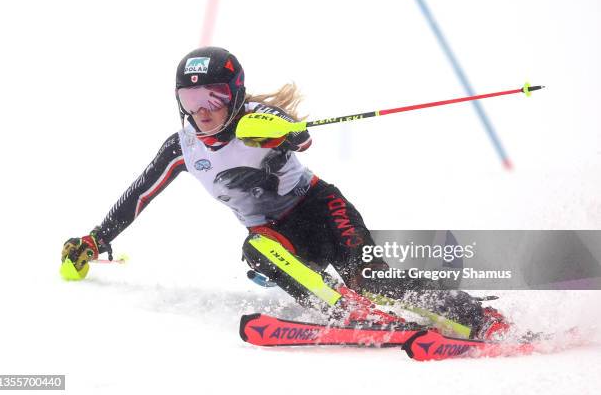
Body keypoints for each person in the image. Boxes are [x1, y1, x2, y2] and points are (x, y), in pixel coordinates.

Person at [61, 47, 509, 340]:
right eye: (191, 100)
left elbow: (302, 141)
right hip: (280, 238)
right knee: (256, 248)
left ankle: (477, 317)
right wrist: (97, 239)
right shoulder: (184, 148)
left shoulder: (258, 116)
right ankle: (346, 312)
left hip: (320, 208)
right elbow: (140, 193)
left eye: (214, 98)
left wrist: (281, 135)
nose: (204, 112)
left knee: (373, 280)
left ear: (235, 94)